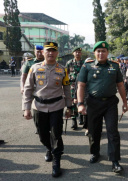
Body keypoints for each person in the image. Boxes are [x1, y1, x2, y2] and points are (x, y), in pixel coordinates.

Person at [77, 41, 128, 173]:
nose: (101, 53)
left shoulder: (115, 66)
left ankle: (115, 160)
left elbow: (120, 85)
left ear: (107, 53)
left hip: (110, 103)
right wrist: (80, 104)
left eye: (103, 51)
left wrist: (125, 102)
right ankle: (95, 152)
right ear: (94, 53)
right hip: (93, 103)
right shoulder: (87, 67)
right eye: (98, 51)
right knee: (94, 131)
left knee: (113, 132)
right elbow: (81, 86)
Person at [22, 42, 71, 177]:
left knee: (56, 134)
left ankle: (56, 161)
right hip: (38, 106)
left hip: (56, 106)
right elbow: (28, 89)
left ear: (57, 53)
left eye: (53, 51)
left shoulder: (62, 69)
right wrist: (26, 108)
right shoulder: (34, 68)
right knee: (42, 134)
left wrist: (69, 107)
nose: (50, 53)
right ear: (43, 52)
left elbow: (67, 89)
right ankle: (49, 148)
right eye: (48, 51)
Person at [20, 45, 45, 134]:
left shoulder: (48, 61)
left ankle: (45, 126)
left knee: (44, 108)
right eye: (37, 51)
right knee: (35, 110)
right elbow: (23, 76)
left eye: (40, 51)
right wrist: (22, 87)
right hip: (31, 88)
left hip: (43, 89)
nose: (39, 53)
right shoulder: (29, 63)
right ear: (34, 52)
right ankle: (38, 126)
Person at [65, 47, 85, 130]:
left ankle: (81, 116)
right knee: (72, 102)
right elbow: (66, 74)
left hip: (82, 85)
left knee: (82, 100)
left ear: (81, 53)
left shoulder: (84, 63)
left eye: (79, 52)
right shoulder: (69, 63)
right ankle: (74, 121)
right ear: (73, 53)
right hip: (72, 85)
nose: (77, 53)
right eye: (76, 52)